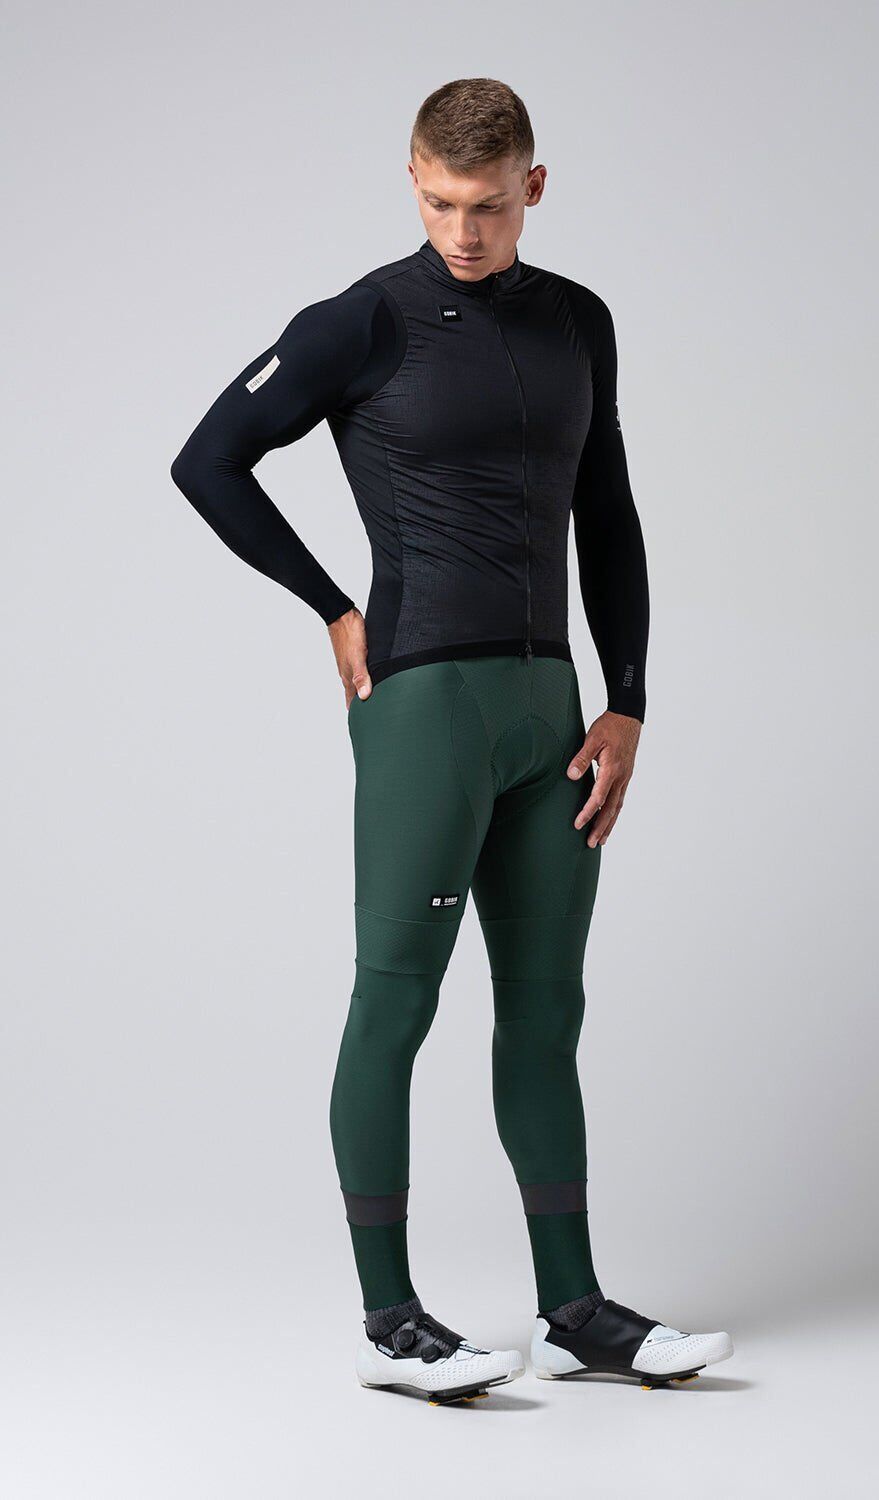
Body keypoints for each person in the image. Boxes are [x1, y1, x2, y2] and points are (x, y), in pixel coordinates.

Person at [170, 77, 734, 1403]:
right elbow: (208, 460)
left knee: (546, 1011)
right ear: (411, 182)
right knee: (397, 1000)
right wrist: (332, 607)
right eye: (437, 203)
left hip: (553, 715)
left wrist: (629, 697)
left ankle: (575, 1309)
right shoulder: (363, 320)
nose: (463, 232)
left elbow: (608, 508)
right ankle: (391, 1320)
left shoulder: (579, 320)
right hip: (425, 706)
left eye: (486, 206)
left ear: (533, 187)